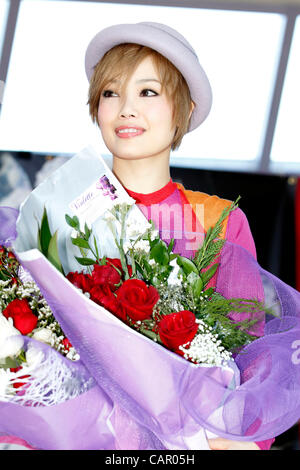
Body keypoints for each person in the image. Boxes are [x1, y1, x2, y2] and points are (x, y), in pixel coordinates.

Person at [85, 22, 274, 450]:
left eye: (148, 92)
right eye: (111, 92)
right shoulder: (62, 213)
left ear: (184, 110)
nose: (125, 109)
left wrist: (237, 440)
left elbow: (248, 351)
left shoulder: (218, 220)